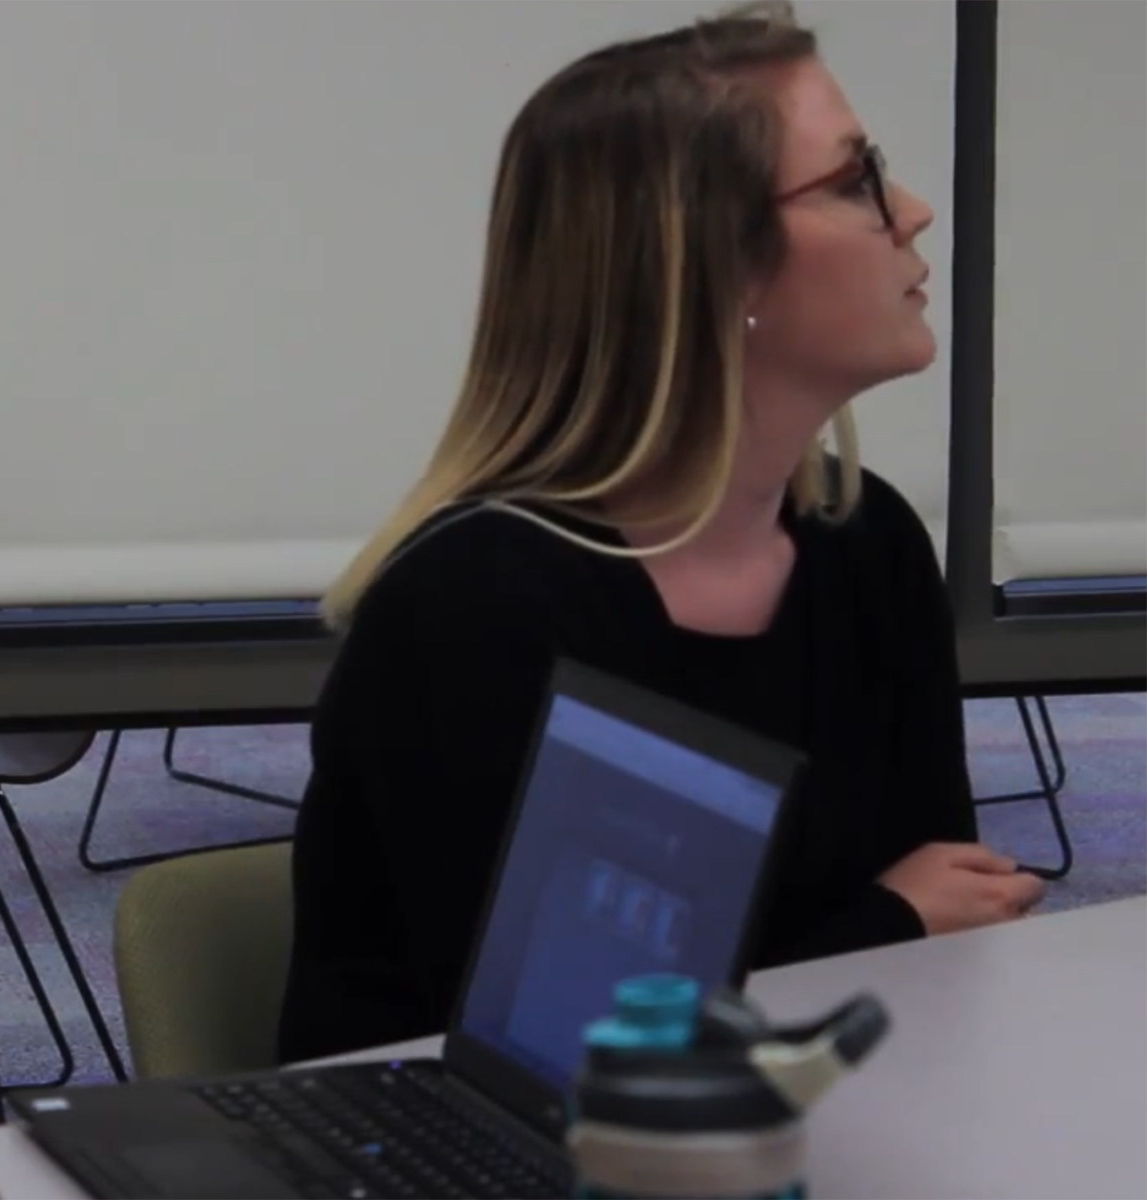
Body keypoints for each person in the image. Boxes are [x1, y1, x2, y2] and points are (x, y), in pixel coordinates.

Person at [276, 0, 1045, 1063]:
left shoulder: (867, 546)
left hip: (802, 1122)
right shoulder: (474, 607)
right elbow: (556, 1047)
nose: (911, 210)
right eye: (853, 182)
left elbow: (957, 919)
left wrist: (901, 928)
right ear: (709, 265)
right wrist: (885, 923)